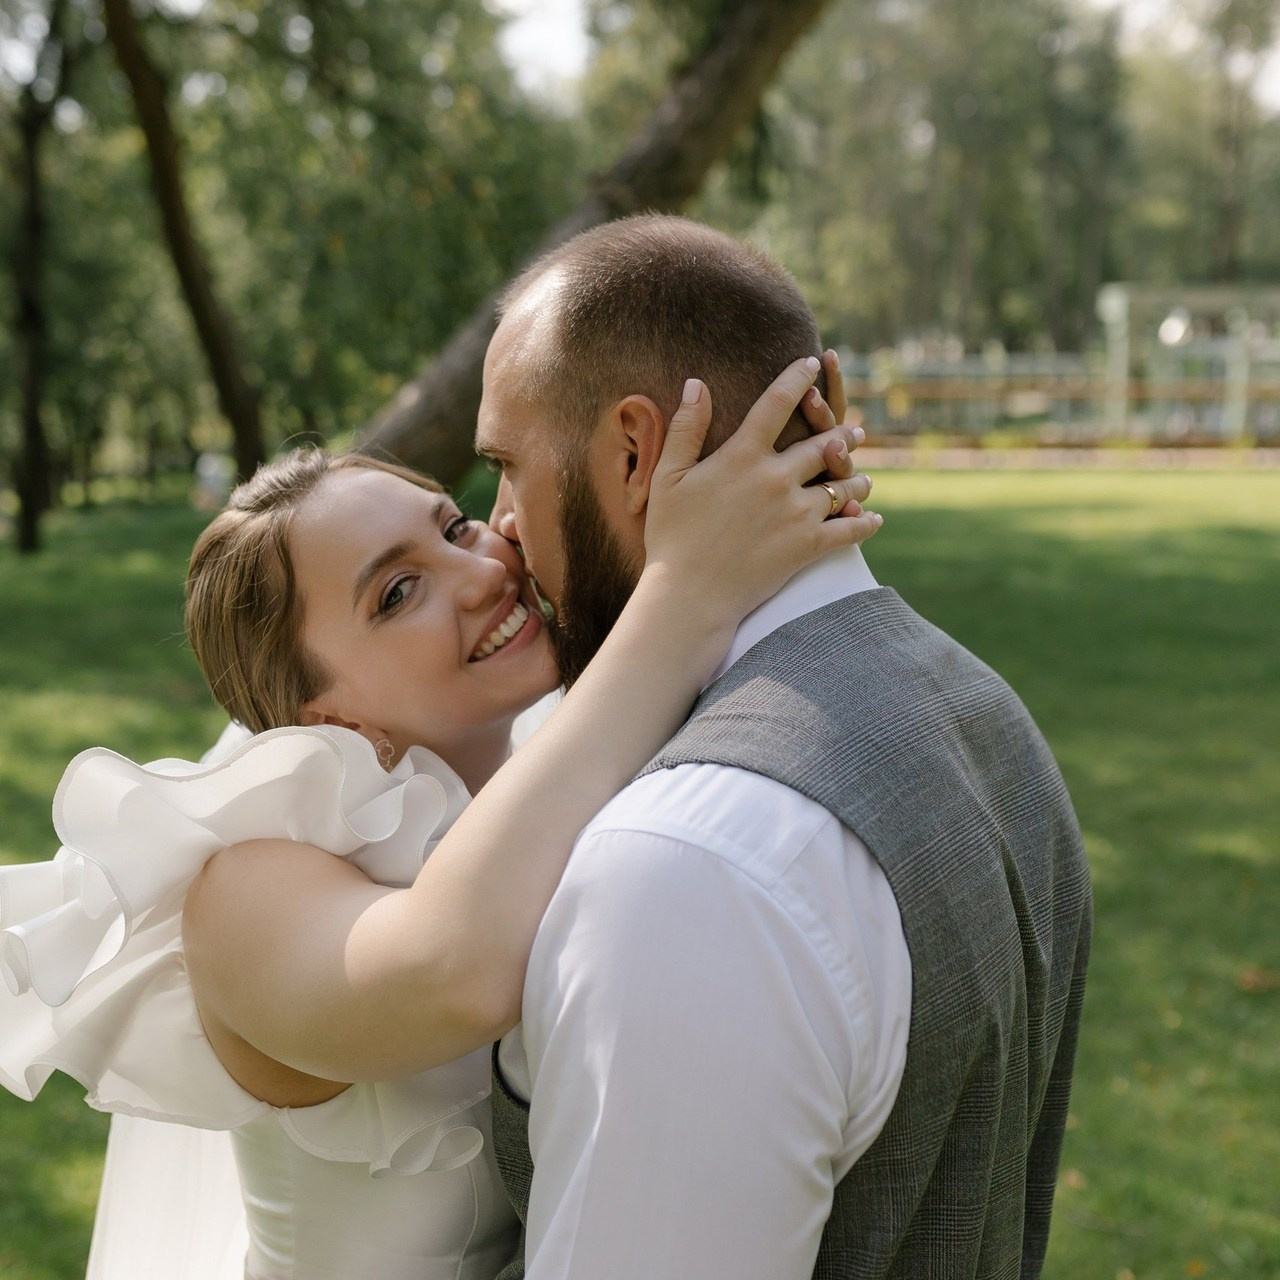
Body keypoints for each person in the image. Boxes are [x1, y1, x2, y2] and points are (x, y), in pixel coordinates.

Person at [0, 358, 878, 1280]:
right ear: (326, 718)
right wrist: (686, 589)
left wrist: (771, 482)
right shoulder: (239, 894)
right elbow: (452, 973)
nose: (480, 572)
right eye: (397, 593)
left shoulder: (569, 746)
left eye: (455, 526)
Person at [475, 214, 1093, 1279]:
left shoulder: (683, 864)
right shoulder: (987, 713)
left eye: (504, 465)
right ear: (830, 410)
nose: (499, 527)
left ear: (630, 452)